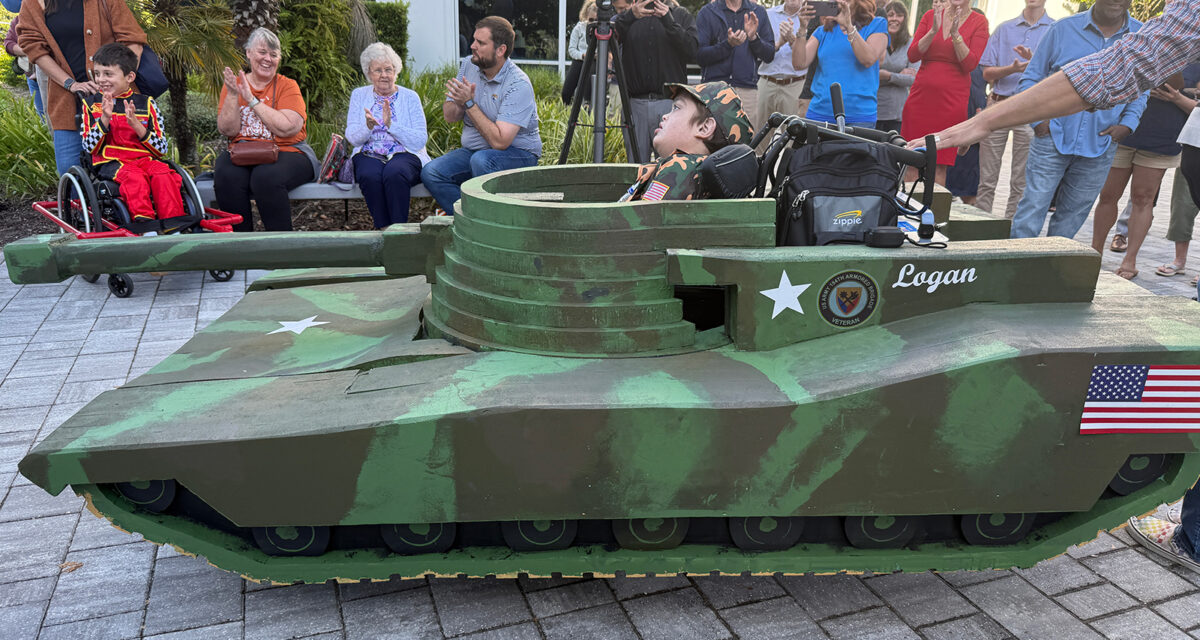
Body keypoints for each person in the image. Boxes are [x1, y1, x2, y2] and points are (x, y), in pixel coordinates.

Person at [914, 0, 1199, 152]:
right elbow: (1117, 70)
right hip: (1051, 134)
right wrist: (986, 121)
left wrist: (985, 122)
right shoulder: (1064, 28)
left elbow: (1119, 70)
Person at [1004, 0, 1146, 240]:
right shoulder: (1062, 29)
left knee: (1072, 217)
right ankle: (1018, 271)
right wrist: (1039, 122)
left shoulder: (1141, 36)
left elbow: (1142, 87)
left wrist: (1128, 123)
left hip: (1101, 143)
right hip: (1051, 136)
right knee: (1031, 210)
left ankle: (1053, 272)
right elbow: (1030, 79)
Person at [421, 16, 541, 216]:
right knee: (432, 172)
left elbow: (500, 142)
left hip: (518, 155)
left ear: (500, 50)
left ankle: (485, 221)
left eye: (480, 42)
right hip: (476, 152)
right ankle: (471, 218)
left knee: (482, 161)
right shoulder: (469, 64)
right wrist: (460, 101)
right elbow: (450, 116)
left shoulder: (518, 84)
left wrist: (469, 103)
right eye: (474, 40)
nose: (472, 46)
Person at [17, 0, 147, 176]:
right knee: (71, 173)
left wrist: (114, 83)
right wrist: (70, 84)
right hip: (67, 102)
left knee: (129, 170)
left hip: (117, 101)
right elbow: (34, 49)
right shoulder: (34, 3)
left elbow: (133, 40)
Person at [1093, 64, 1200, 279]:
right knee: (1107, 195)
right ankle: (1094, 255)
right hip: (1124, 131)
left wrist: (1177, 96)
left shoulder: (1194, 59)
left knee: (1143, 198)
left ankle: (1130, 262)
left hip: (1163, 137)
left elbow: (1189, 101)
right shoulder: (1139, 46)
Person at [214, 27, 317, 232]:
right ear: (249, 53)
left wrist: (252, 100)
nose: (267, 59)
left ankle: (279, 253)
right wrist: (234, 95)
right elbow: (228, 130)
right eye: (262, 52)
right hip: (244, 151)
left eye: (274, 54)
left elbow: (288, 128)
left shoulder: (288, 86)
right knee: (226, 174)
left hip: (289, 151)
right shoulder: (233, 85)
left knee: (265, 177)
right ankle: (241, 251)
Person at [79, 43, 180, 222]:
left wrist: (136, 124)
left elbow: (162, 148)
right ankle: (145, 224)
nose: (101, 79)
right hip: (110, 161)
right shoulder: (91, 104)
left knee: (163, 173)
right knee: (134, 177)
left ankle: (174, 223)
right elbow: (89, 147)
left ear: (129, 76)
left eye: (108, 74)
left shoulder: (146, 104)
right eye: (97, 74)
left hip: (144, 159)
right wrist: (104, 119)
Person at [975, 0, 1054, 219]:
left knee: (1021, 181)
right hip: (999, 105)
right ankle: (979, 230)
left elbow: (1058, 78)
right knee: (987, 179)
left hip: (1031, 110)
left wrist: (1034, 62)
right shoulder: (1004, 28)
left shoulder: (1055, 30)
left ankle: (1010, 233)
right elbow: (987, 74)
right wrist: (1012, 68)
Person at [900, 0, 988, 186]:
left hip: (951, 101)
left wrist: (956, 35)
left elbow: (970, 64)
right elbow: (913, 55)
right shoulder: (930, 16)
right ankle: (906, 210)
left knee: (939, 164)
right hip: (920, 99)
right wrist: (933, 31)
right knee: (912, 159)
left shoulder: (979, 22)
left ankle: (932, 212)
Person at [344, 43, 431, 230]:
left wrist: (392, 125)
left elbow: (419, 140)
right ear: (369, 73)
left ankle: (398, 231)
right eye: (378, 70)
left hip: (405, 152)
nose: (384, 75)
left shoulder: (410, 97)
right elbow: (352, 137)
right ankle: (383, 229)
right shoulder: (359, 95)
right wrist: (367, 127)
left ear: (396, 71)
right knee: (369, 174)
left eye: (388, 69)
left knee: (395, 173)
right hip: (368, 151)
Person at [622, 81, 753, 202]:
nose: (665, 116)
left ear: (704, 128)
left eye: (677, 108)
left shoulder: (678, 169)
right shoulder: (696, 171)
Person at [614, 0, 698, 163]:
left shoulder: (680, 15)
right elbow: (605, 40)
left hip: (671, 105)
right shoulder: (629, 16)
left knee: (671, 168)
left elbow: (693, 50)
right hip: (635, 105)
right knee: (636, 169)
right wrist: (630, 16)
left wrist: (669, 21)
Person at [790, 0, 888, 129]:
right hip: (820, 112)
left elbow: (868, 59)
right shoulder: (823, 30)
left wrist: (848, 25)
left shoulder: (877, 24)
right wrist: (802, 28)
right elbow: (799, 63)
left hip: (859, 116)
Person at [695, 0, 773, 131]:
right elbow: (700, 56)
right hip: (713, 90)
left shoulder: (759, 12)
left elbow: (769, 55)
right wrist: (728, 45)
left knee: (747, 144)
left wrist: (754, 38)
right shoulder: (707, 12)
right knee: (712, 140)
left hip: (747, 91)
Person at [752, 0, 806, 141]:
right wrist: (779, 43)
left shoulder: (811, 18)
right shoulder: (767, 15)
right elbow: (757, 49)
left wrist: (793, 40)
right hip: (766, 82)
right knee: (760, 135)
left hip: (796, 85)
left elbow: (810, 56)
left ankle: (788, 163)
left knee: (794, 135)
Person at [875, 1, 917, 134]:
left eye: (899, 15)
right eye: (890, 15)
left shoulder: (911, 44)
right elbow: (867, 74)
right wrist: (900, 74)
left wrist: (888, 75)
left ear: (905, 19)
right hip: (874, 110)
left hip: (898, 114)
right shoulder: (875, 40)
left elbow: (913, 79)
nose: (894, 19)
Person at [4, 15, 46, 122]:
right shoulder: (19, 19)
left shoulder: (49, 16)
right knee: (41, 113)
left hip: (52, 76)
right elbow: (8, 43)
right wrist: (27, 51)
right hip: (31, 75)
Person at [563, 0, 595, 106]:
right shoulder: (579, 28)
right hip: (579, 61)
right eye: (591, 20)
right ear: (585, 15)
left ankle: (587, 114)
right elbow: (571, 50)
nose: (593, 23)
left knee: (587, 95)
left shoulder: (602, 30)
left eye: (596, 20)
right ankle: (566, 111)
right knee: (566, 92)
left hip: (594, 63)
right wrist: (582, 55)